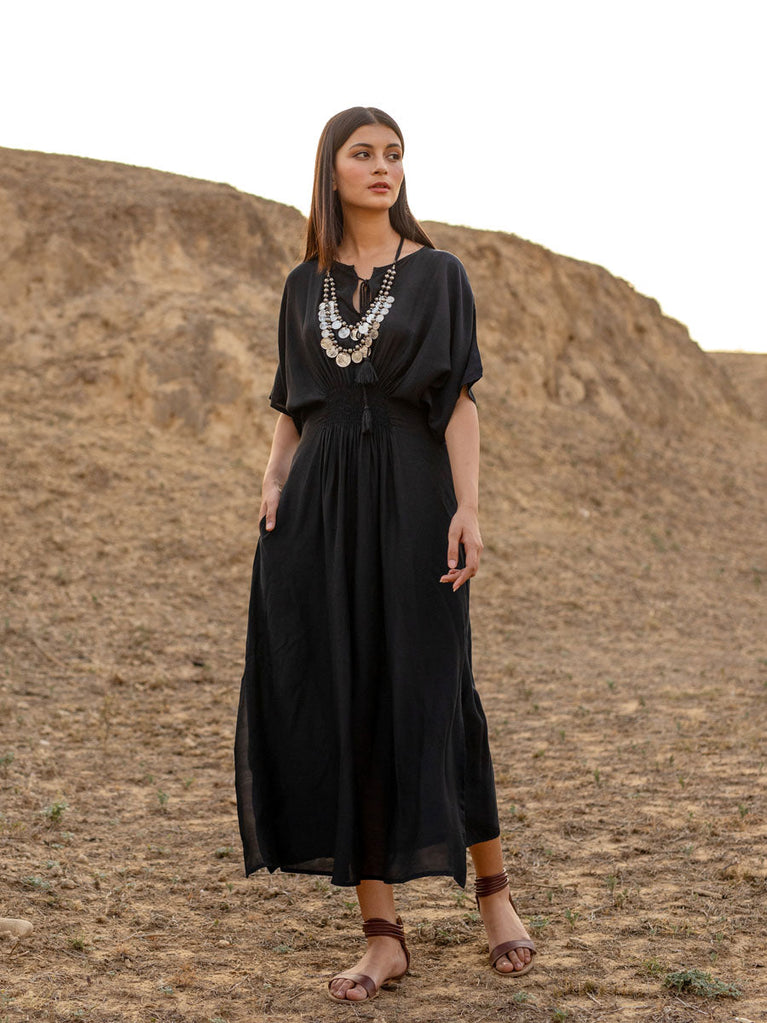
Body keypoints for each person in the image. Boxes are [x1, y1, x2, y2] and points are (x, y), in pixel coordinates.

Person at [234, 106, 536, 1002]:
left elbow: (458, 399)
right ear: (330, 170)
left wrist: (468, 507)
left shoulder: (438, 274)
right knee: (342, 694)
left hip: (413, 496)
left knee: (438, 690)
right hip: (317, 504)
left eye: (394, 154)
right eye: (362, 153)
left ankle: (493, 897)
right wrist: (273, 480)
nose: (382, 167)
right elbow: (294, 401)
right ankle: (381, 935)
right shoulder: (304, 285)